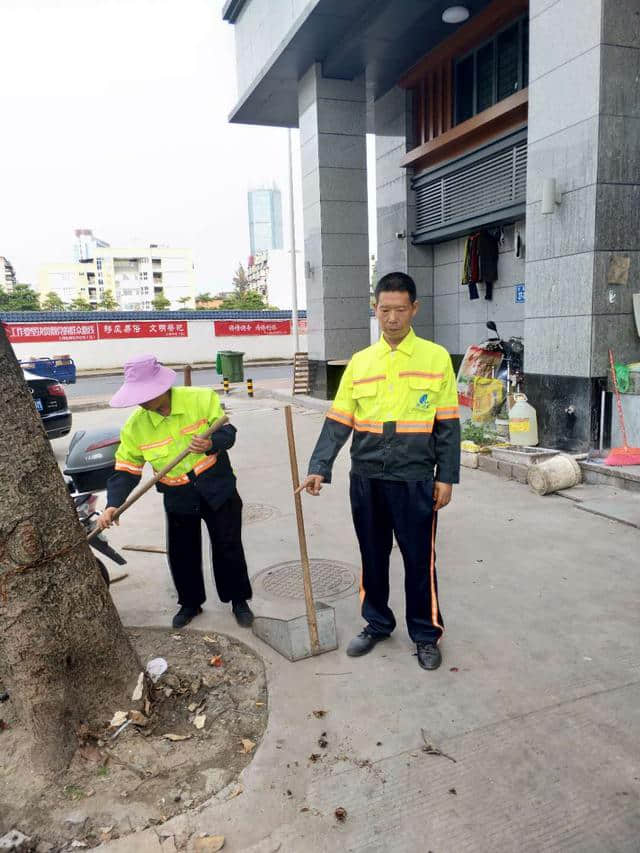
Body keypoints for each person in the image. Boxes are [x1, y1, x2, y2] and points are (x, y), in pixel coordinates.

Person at [298, 273, 460, 671]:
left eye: (400, 310)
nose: (391, 318)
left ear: (414, 309)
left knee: (419, 560)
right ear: (375, 309)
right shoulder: (360, 362)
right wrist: (320, 466)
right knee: (372, 556)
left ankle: (425, 633)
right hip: (367, 478)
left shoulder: (436, 358)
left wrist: (446, 477)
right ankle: (377, 622)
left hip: (415, 478)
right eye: (384, 310)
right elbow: (339, 420)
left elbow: (448, 424)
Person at [96, 354, 253, 630]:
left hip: (216, 485)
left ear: (161, 387)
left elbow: (228, 433)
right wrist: (113, 504)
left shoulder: (200, 400)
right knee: (182, 552)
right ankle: (190, 603)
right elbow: (125, 469)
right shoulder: (136, 426)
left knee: (228, 546)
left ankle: (238, 600)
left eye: (146, 393)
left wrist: (210, 443)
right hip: (177, 493)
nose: (141, 400)